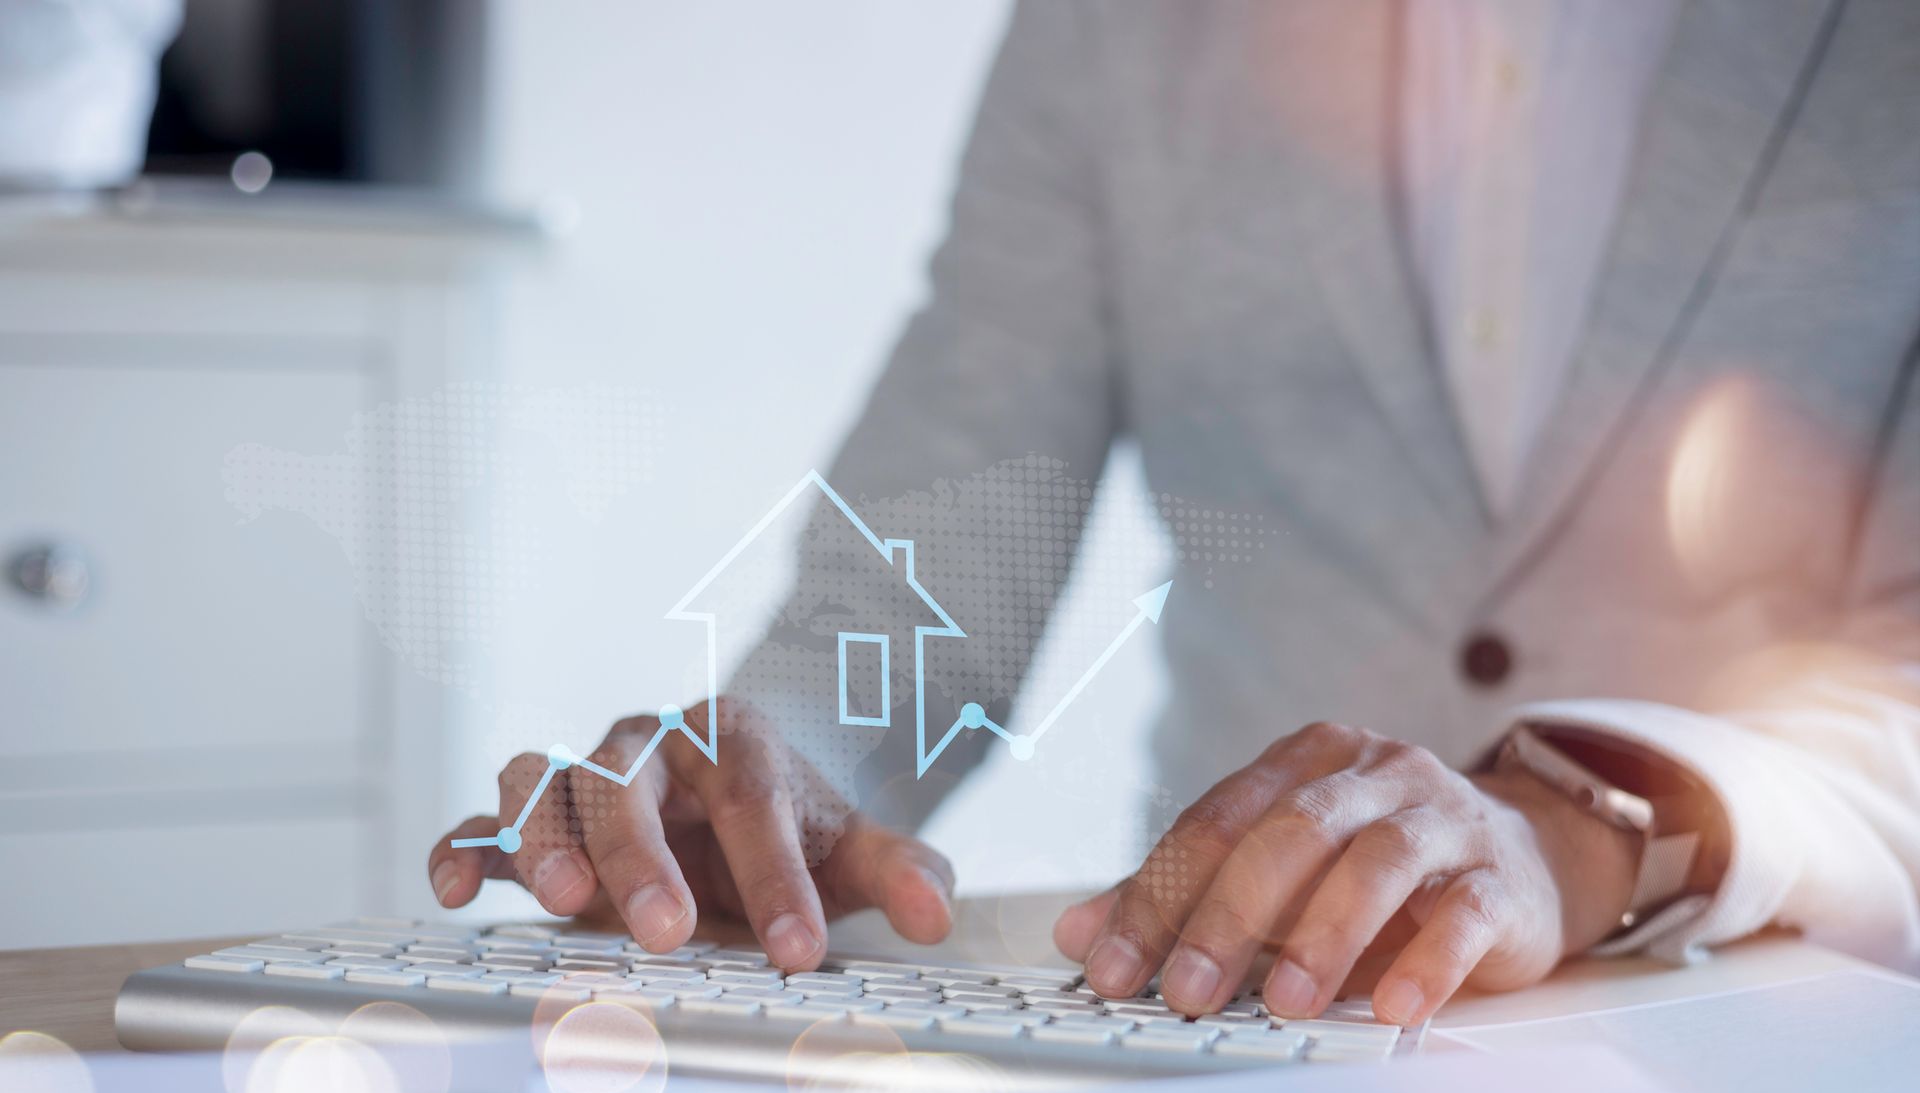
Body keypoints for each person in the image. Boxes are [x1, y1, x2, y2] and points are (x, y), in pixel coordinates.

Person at [427, 0, 1920, 1025]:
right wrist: (767, 784)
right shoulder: (1119, 27)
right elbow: (927, 573)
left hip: (1771, 1039)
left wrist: (1592, 821)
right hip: (1225, 1020)